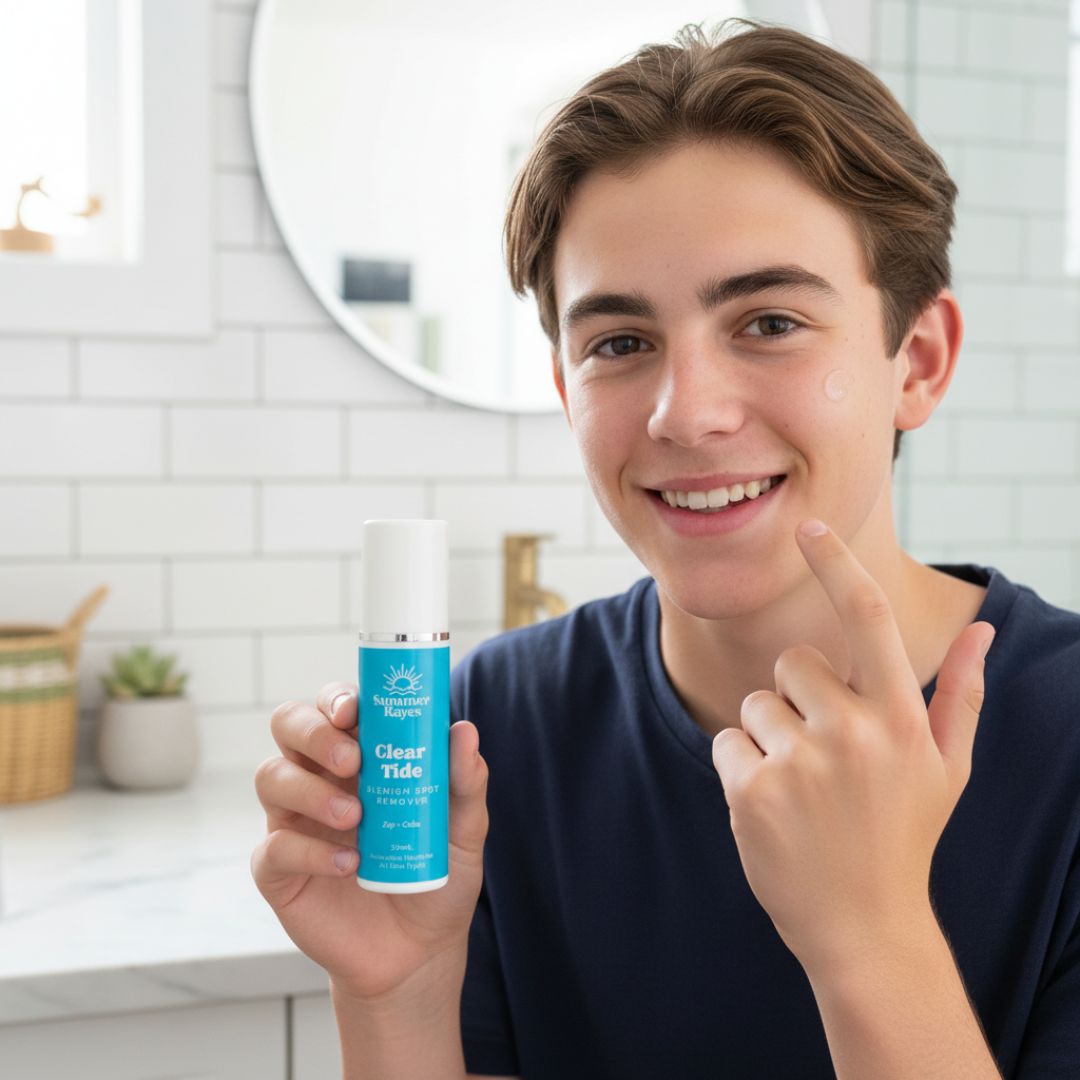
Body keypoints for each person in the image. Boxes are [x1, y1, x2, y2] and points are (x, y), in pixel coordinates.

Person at [251, 19, 1080, 1079]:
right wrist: (396, 997)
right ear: (565, 389)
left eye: (769, 323)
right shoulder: (481, 736)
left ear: (915, 360)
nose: (685, 414)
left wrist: (872, 940)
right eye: (621, 344)